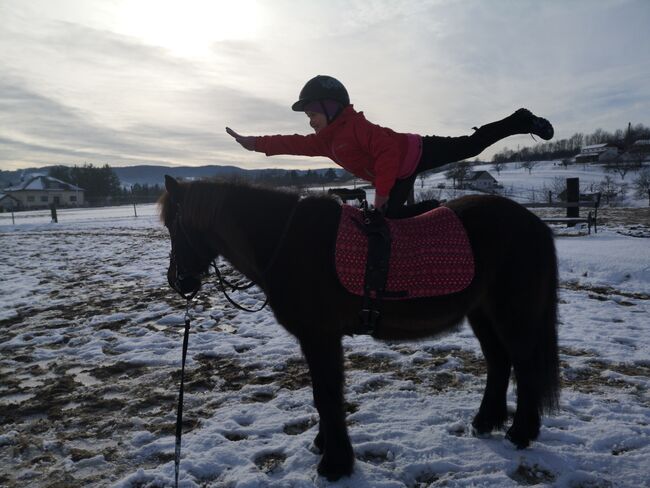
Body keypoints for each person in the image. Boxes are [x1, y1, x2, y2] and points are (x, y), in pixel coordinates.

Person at [226, 75, 554, 216]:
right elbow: (292, 143)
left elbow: (387, 155)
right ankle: (426, 226)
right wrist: (254, 143)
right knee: (390, 221)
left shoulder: (356, 126)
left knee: (470, 147)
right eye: (308, 115)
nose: (310, 119)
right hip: (398, 175)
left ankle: (519, 120)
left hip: (416, 151)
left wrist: (380, 196)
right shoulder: (325, 142)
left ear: (331, 106)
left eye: (313, 112)